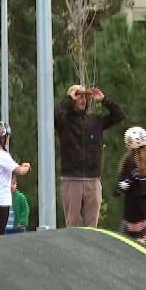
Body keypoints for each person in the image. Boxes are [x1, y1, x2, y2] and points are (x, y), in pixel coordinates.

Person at [55, 84, 125, 227]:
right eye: (79, 96)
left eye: (85, 97)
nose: (83, 100)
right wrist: (69, 98)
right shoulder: (65, 122)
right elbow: (55, 116)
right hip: (72, 180)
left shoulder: (95, 121)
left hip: (93, 180)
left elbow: (119, 116)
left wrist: (104, 100)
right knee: (72, 224)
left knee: (91, 227)